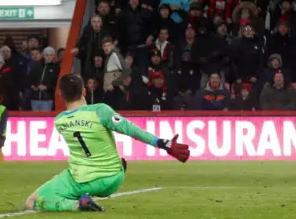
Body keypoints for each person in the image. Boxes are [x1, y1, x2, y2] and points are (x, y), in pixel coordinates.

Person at [23, 74, 190, 212]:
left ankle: (76, 204)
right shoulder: (100, 111)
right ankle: (110, 171)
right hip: (112, 179)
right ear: (84, 91)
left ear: (60, 95)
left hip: (82, 181)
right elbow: (130, 130)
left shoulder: (59, 121)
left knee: (32, 202)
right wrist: (163, 143)